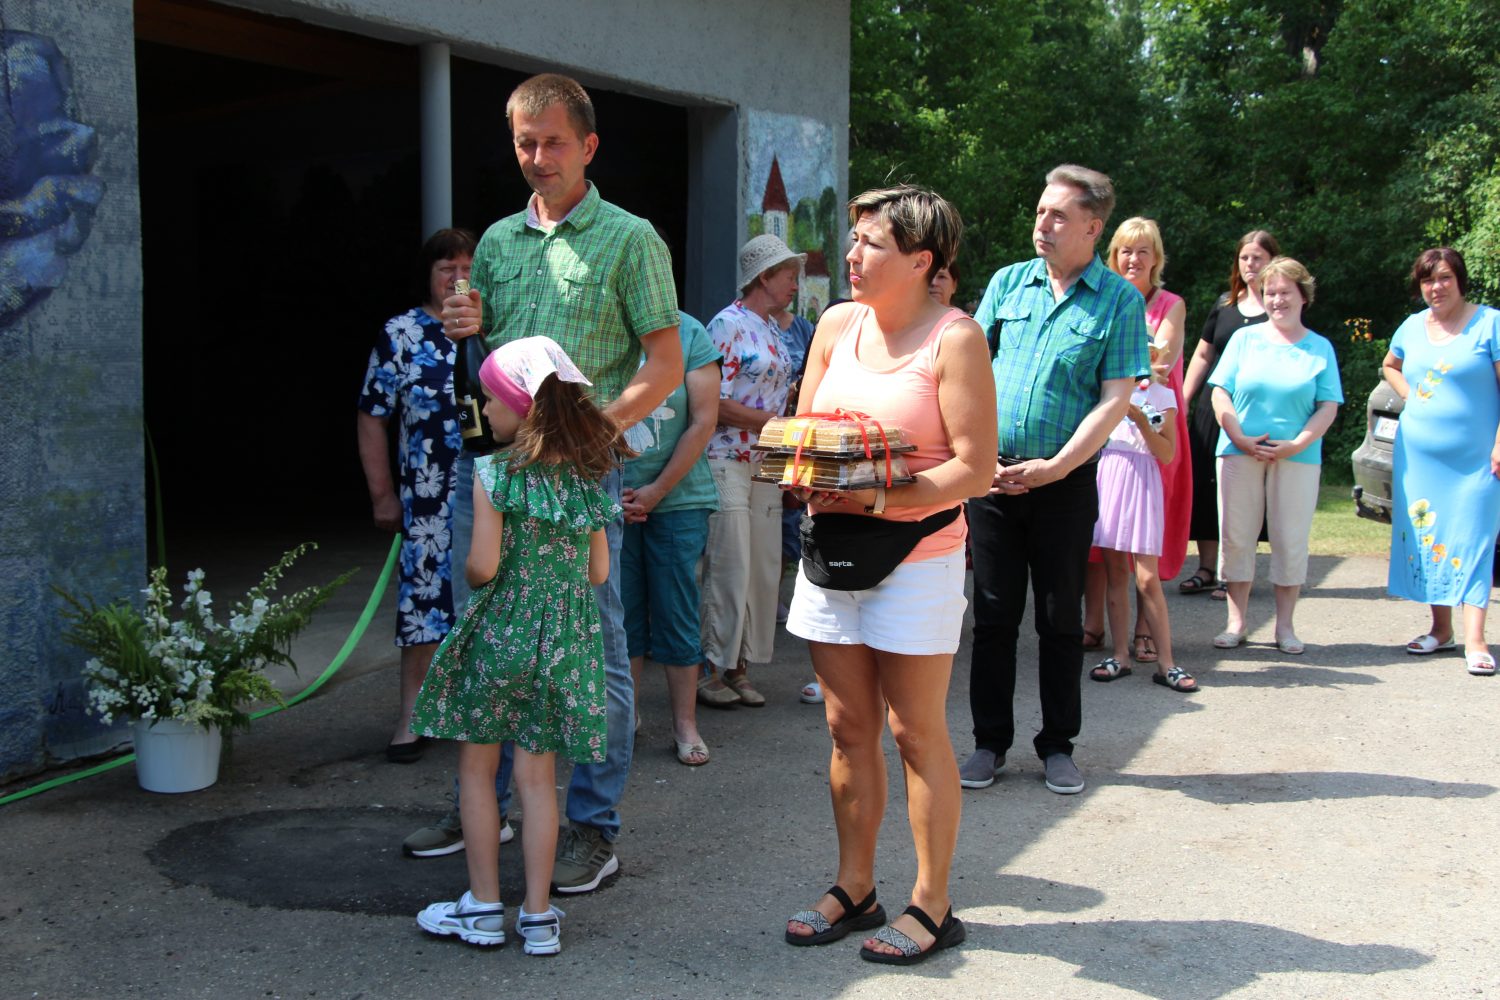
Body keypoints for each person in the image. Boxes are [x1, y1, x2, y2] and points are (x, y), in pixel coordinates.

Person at [403, 73, 682, 895]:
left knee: (594, 645)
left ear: (588, 146)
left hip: (581, 479)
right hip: (494, 469)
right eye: (525, 142)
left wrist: (592, 433)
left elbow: (665, 363)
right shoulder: (496, 240)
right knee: (484, 632)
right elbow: (487, 347)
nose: (537, 156)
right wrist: (467, 325)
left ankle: (592, 827)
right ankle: (483, 804)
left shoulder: (630, 238)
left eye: (554, 141)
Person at [782, 185, 996, 965]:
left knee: (914, 731)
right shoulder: (836, 325)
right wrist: (798, 468)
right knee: (847, 728)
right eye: (854, 240)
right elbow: (805, 432)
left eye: (871, 243)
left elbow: (975, 469)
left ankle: (932, 905)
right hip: (831, 549)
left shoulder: (954, 338)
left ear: (919, 260)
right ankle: (855, 888)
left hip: (917, 558)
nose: (852, 255)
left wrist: (880, 493)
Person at [412, 337, 619, 955]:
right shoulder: (586, 480)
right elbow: (599, 573)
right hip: (563, 645)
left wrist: (480, 573)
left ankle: (481, 907)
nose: (483, 409)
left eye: (489, 399)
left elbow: (482, 566)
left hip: (501, 635)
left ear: (520, 406)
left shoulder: (493, 473)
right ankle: (537, 915)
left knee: (478, 770)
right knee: (538, 779)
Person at [959, 165, 1148, 796]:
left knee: (1060, 619)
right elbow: (967, 372)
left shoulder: (1119, 300)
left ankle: (1058, 746)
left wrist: (1057, 467)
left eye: (1059, 215)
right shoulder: (1008, 283)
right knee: (992, 616)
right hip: (993, 480)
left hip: (1064, 485)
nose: (1043, 223)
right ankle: (989, 744)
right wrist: (977, 458)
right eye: (1041, 211)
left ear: (1093, 227)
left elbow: (1115, 399)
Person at [355, 228, 474, 763]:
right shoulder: (401, 333)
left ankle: (483, 712)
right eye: (446, 267)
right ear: (428, 274)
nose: (457, 277)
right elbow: (371, 415)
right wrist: (383, 495)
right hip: (426, 497)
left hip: (488, 491)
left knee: (489, 599)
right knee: (424, 603)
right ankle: (413, 715)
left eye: (467, 267)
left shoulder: (491, 329)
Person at [1208, 257, 1341, 654]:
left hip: (1297, 457)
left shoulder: (1320, 347)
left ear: (1303, 296)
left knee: (1290, 538)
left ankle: (1285, 626)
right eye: (1270, 293)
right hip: (1238, 452)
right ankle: (1236, 622)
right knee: (1237, 536)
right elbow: (1220, 391)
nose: (1277, 300)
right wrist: (1239, 436)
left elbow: (1328, 406)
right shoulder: (1243, 339)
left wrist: (1296, 444)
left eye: (1285, 292)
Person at [1381, 248, 1500, 675]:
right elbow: (1390, 365)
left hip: (1477, 461)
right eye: (1428, 280)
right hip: (1420, 459)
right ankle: (1441, 629)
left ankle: (1476, 640)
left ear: (1460, 280)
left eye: (1445, 277)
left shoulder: (1490, 323)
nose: (1437, 287)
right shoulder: (1412, 327)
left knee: (1474, 539)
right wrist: (1410, 396)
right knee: (1431, 535)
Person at [1082, 219, 1191, 663]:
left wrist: (1122, 363)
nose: (1134, 259)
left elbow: (1159, 361)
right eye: (1126, 250)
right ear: (1113, 256)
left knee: (1145, 543)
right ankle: (1096, 626)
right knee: (1102, 539)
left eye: (1143, 250)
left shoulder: (1171, 305)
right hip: (1110, 436)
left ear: (1156, 258)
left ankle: (1146, 633)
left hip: (1152, 427)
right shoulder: (1102, 298)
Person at [697, 235, 799, 707]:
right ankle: (707, 669)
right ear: (764, 277)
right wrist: (775, 424)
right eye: (788, 275)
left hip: (765, 460)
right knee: (729, 562)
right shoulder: (727, 324)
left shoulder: (773, 329)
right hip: (725, 456)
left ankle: (738, 667)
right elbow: (713, 402)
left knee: (761, 564)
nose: (795, 285)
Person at [622, 310, 721, 763]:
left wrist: (657, 490)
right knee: (619, 613)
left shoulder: (689, 331)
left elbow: (703, 421)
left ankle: (685, 724)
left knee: (676, 610)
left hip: (679, 497)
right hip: (611, 495)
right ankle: (624, 717)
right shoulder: (598, 323)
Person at [1180, 230, 1279, 600]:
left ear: (1272, 261)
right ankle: (1206, 568)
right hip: (1213, 408)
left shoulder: (1279, 306)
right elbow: (1203, 354)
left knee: (1244, 492)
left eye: (1258, 257)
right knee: (1207, 486)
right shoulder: (1225, 304)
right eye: (1245, 258)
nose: (1250, 264)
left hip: (1254, 410)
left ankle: (1234, 572)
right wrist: (1184, 399)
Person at [1087, 370, 1195, 692]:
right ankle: (1120, 655)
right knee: (1115, 571)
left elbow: (1167, 452)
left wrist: (1142, 422)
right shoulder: (1106, 390)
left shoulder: (1162, 395)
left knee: (1147, 578)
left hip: (1142, 478)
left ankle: (1167, 663)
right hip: (1108, 475)